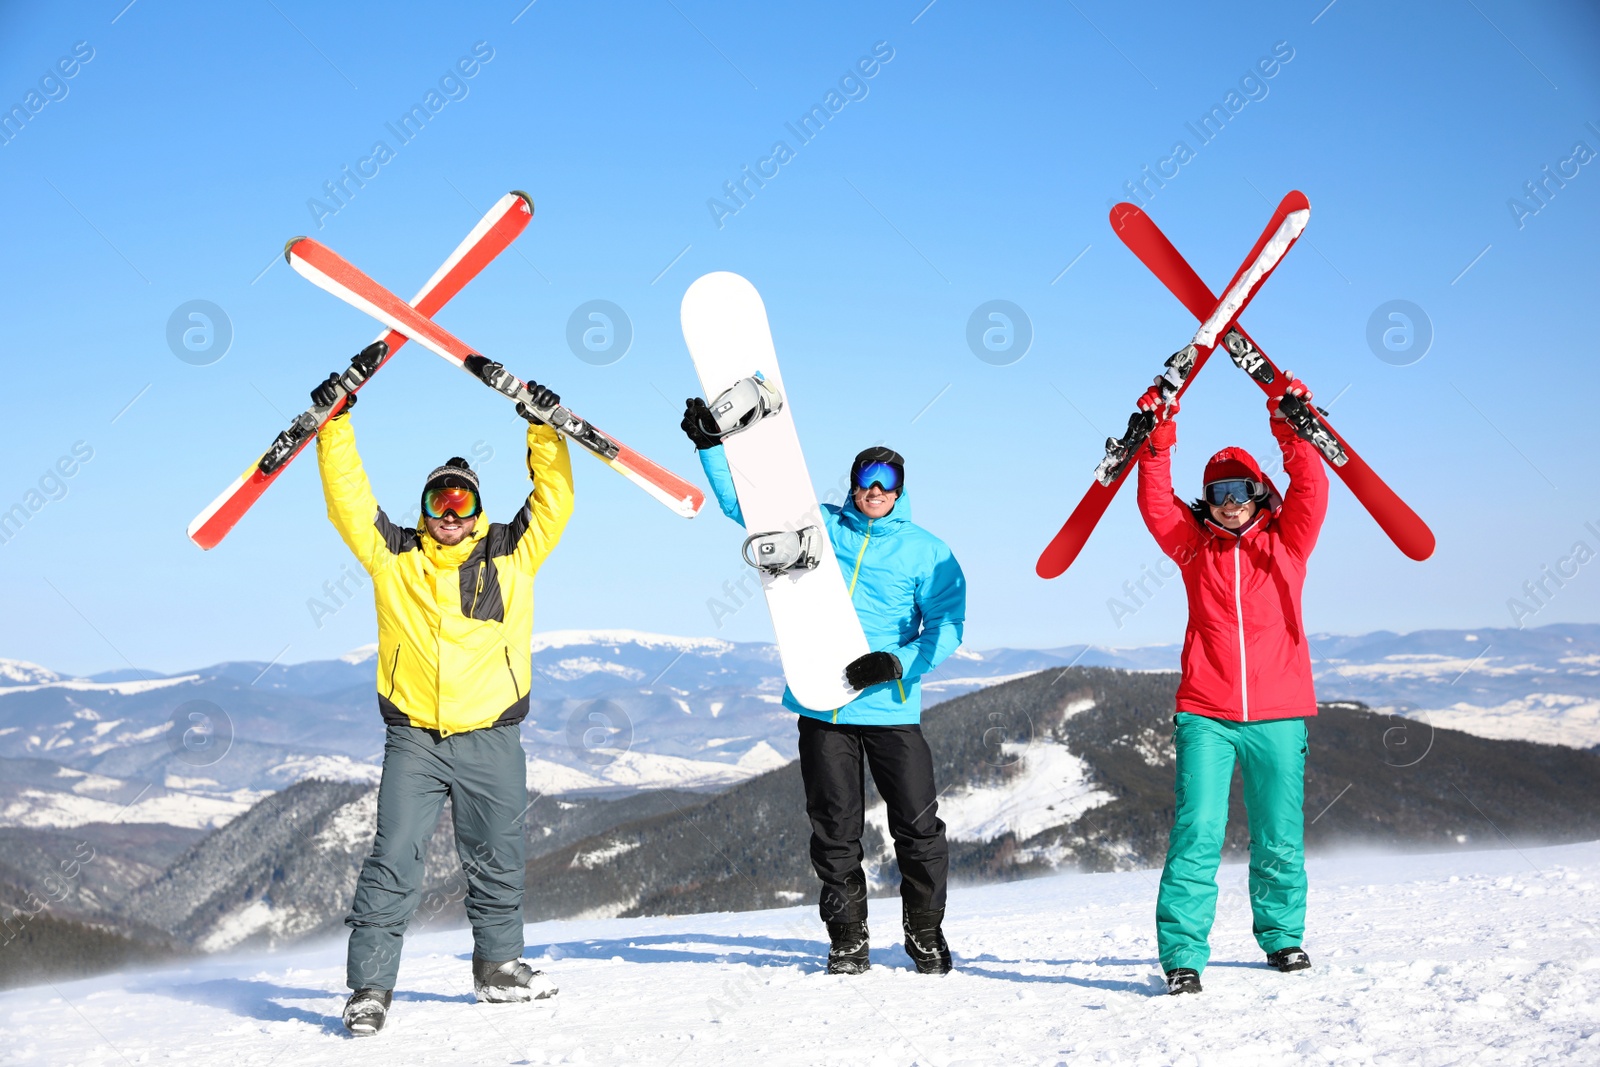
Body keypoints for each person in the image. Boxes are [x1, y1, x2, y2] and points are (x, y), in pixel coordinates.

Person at [312, 345, 574, 1035]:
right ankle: (369, 988)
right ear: (424, 508)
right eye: (439, 500)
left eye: (462, 500)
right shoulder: (392, 556)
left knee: (498, 856)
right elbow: (347, 498)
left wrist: (541, 428)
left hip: (492, 734)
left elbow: (555, 501)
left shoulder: (511, 553)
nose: (450, 512)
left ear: (479, 509)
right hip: (416, 741)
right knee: (394, 857)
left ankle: (499, 967)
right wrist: (335, 423)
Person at [681, 399, 967, 975]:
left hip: (891, 709)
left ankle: (925, 934)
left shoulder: (927, 550)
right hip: (824, 705)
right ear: (854, 483)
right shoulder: (822, 525)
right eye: (866, 480)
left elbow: (949, 628)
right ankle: (847, 939)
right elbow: (748, 509)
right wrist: (712, 448)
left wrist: (896, 663)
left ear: (901, 489)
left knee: (918, 828)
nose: (874, 490)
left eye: (886, 482)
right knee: (834, 832)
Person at [1132, 375, 1330, 995]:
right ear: (1208, 498)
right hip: (1207, 714)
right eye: (1217, 491)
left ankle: (1283, 939)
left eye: (1240, 488)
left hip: (1278, 712)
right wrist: (1159, 439)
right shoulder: (1194, 550)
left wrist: (1288, 422)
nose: (1230, 501)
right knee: (1197, 833)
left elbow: (1312, 485)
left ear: (1257, 491)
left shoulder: (1288, 543)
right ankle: (1184, 955)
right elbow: (1157, 505)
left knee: (1278, 834)